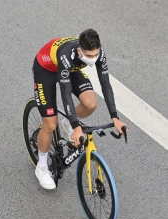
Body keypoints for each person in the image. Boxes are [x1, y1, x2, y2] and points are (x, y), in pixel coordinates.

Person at [32, 28, 128, 190]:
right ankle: (41, 167)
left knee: (90, 104)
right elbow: (66, 94)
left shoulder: (99, 54)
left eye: (95, 55)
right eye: (89, 56)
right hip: (46, 70)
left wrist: (115, 118)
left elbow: (106, 85)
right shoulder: (66, 55)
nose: (93, 59)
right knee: (50, 125)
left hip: (71, 70)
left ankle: (68, 123)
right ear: (79, 50)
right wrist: (77, 126)